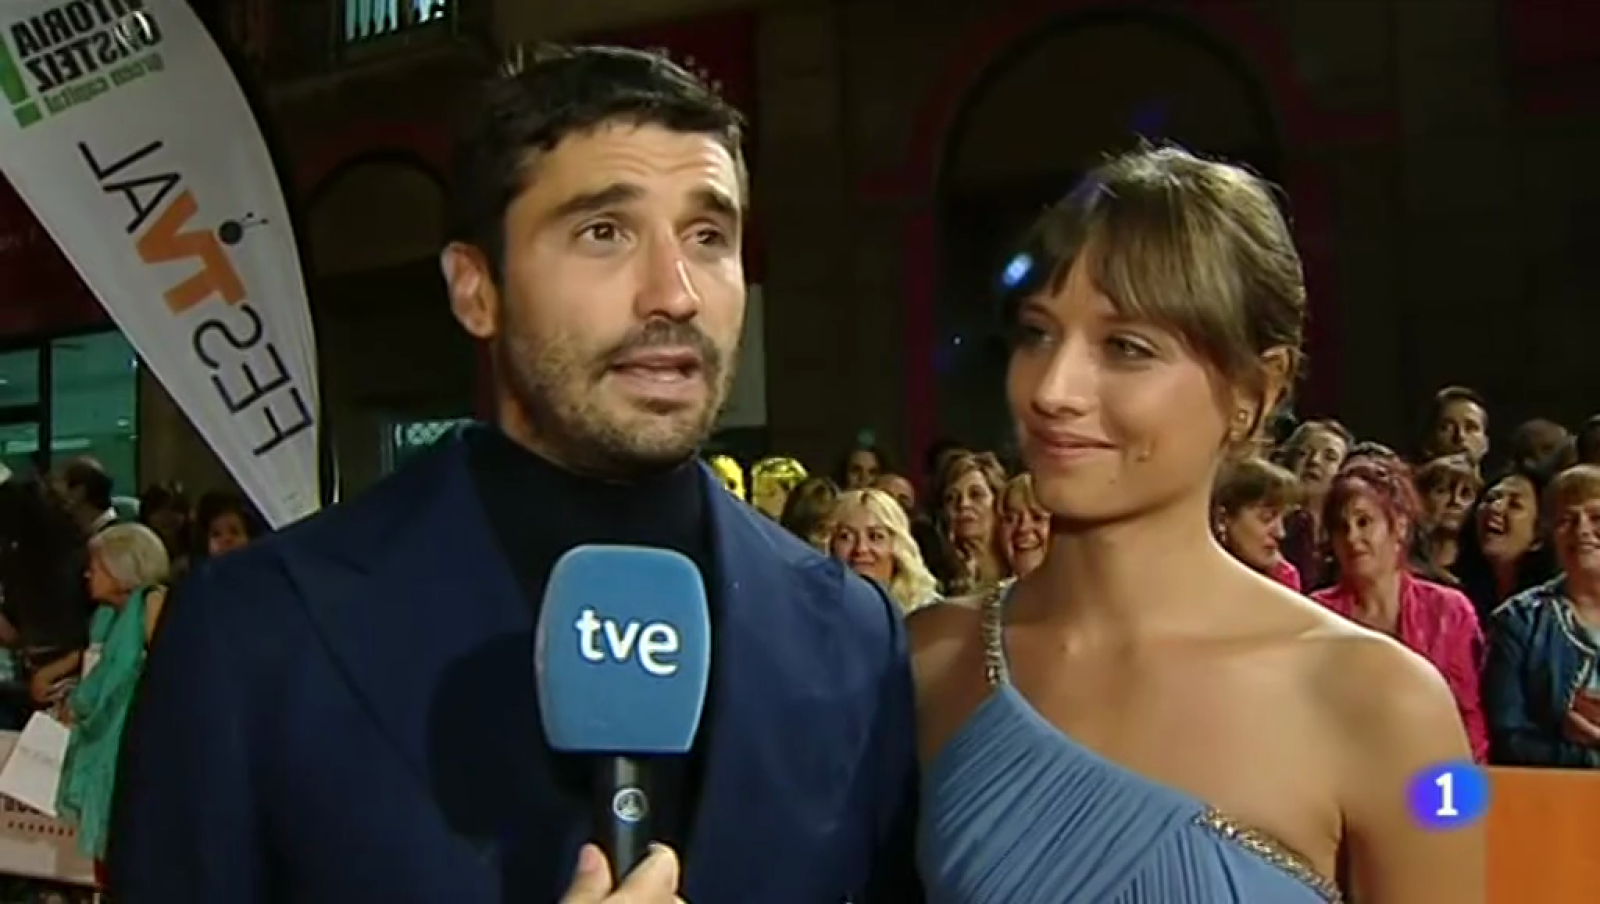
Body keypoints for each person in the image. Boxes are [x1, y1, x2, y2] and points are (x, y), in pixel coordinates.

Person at [109, 46, 917, 904]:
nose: (674, 293)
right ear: (476, 289)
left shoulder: (853, 636)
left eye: (708, 236)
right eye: (604, 232)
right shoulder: (256, 634)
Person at [911, 146, 1481, 903]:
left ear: (1254, 389)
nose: (1052, 390)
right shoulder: (927, 661)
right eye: (1037, 334)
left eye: (1127, 348)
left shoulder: (1393, 708)